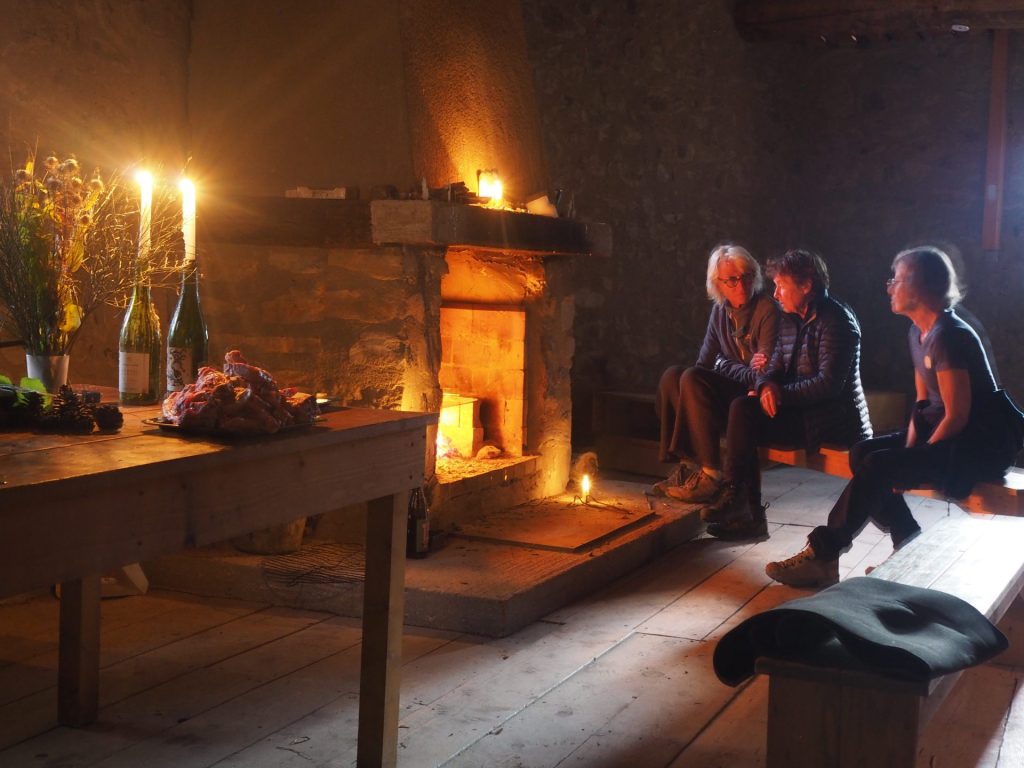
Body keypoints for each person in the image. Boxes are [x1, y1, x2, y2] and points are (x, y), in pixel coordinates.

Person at [766, 245, 1021, 588]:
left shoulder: (951, 336)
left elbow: (958, 415)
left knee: (880, 466)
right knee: (864, 453)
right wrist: (908, 454)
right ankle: (907, 541)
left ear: (921, 287)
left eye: (897, 279)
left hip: (977, 446)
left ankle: (824, 553)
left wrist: (911, 459)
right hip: (947, 435)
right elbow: (922, 404)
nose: (889, 286)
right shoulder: (918, 332)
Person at [704, 248, 872, 541]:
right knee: (745, 408)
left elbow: (827, 385)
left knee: (747, 417)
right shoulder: (789, 318)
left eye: (781, 285)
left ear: (806, 285)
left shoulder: (837, 322)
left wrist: (780, 394)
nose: (776, 293)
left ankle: (742, 505)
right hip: (803, 413)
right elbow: (775, 365)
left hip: (833, 420)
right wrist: (766, 384)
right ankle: (740, 502)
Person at [652, 244, 780, 502]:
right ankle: (686, 466)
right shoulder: (720, 311)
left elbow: (762, 373)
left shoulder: (766, 309)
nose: (740, 285)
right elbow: (705, 362)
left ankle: (711, 474)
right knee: (673, 376)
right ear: (718, 284)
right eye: (731, 280)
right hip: (730, 388)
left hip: (749, 397)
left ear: (754, 276)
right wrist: (726, 367)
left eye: (745, 277)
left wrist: (725, 365)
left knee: (691, 378)